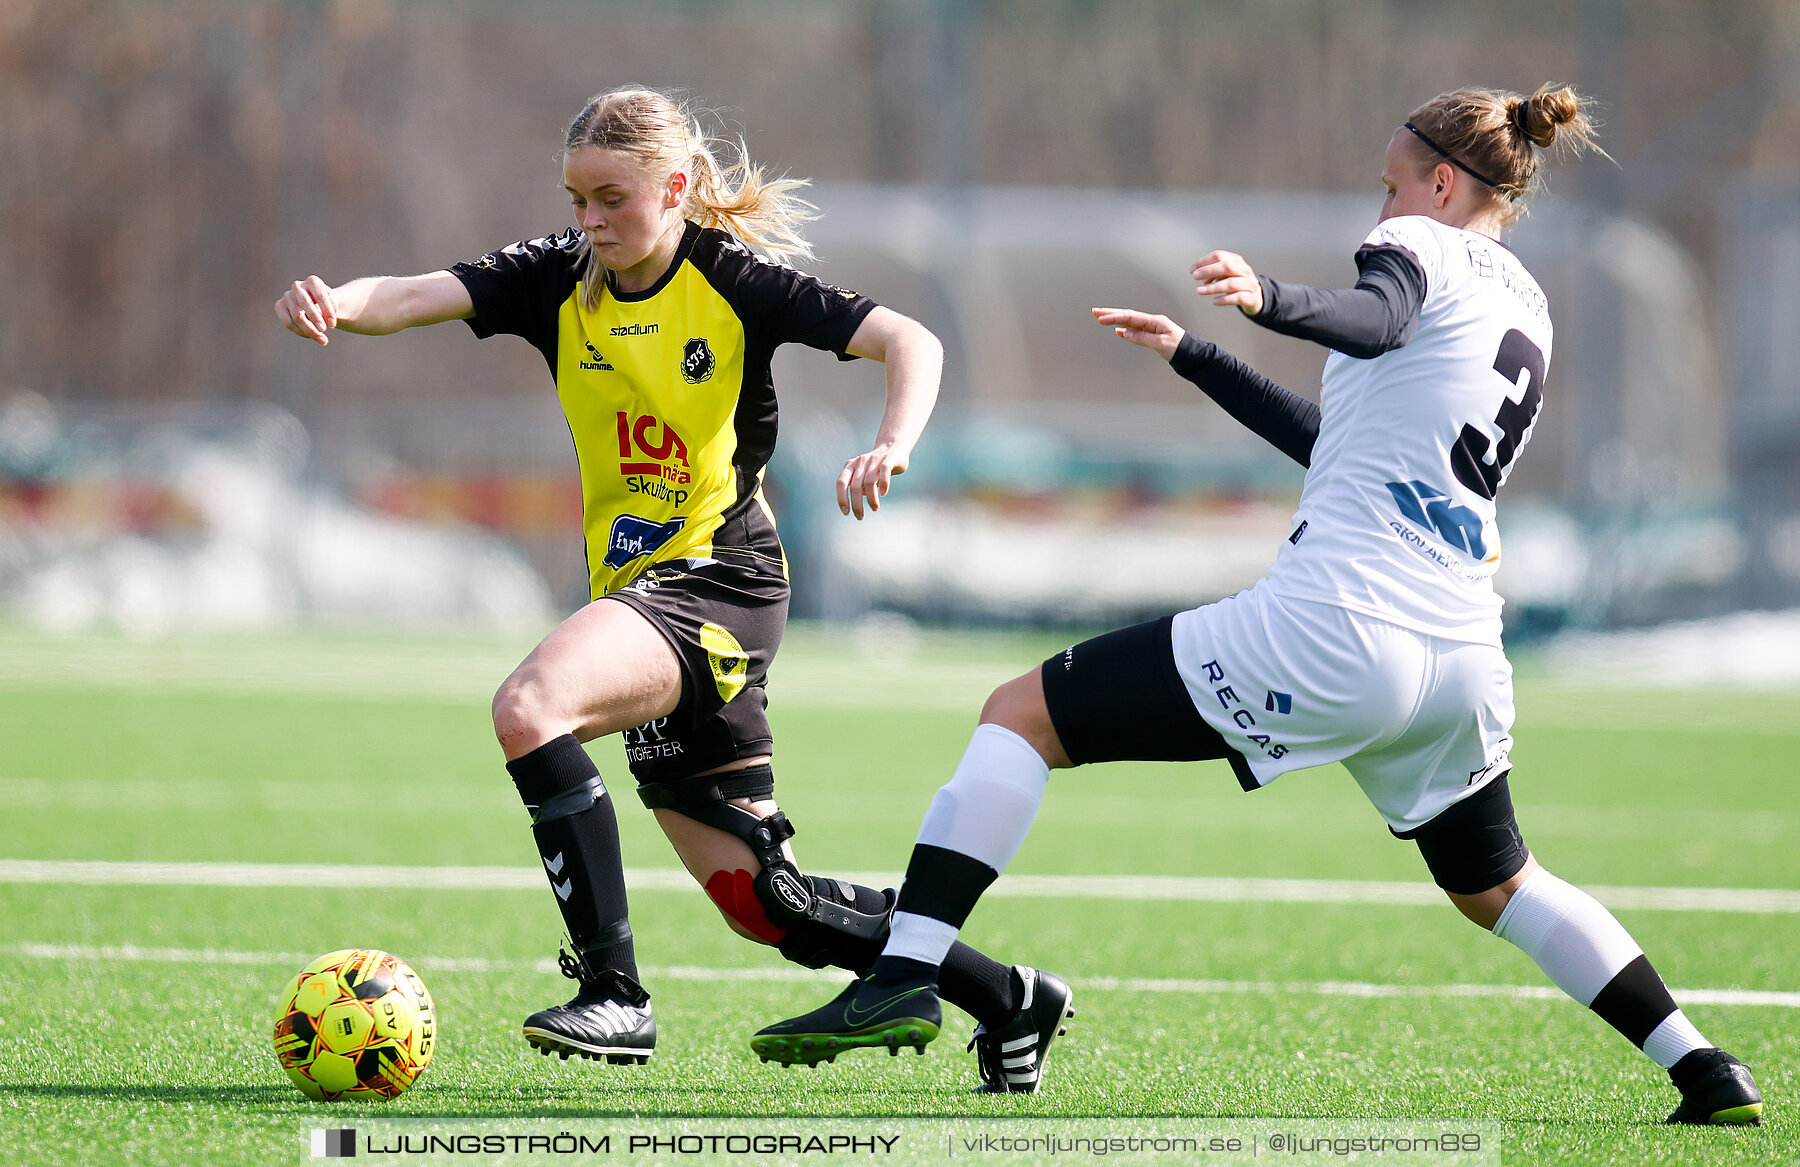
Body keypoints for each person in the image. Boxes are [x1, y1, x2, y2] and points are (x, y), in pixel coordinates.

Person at [752, 84, 1765, 1125]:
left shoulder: (1419, 252)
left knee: (1020, 714)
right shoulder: (1526, 303)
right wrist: (1197, 357)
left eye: (1393, 185)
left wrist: (1269, 296)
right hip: (1456, 655)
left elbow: (1378, 318)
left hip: (1338, 627)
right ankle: (1704, 1065)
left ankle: (906, 968)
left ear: (1445, 182)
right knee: (1498, 885)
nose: (1384, 211)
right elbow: (1342, 444)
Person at [275, 86, 1070, 1091]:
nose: (590, 221)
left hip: (720, 582)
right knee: (762, 903)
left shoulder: (734, 281)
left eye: (611, 198)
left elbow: (912, 339)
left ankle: (616, 996)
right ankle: (1008, 1000)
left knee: (531, 706)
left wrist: (892, 445)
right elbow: (404, 297)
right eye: (575, 199)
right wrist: (332, 303)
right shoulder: (558, 277)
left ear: (676, 188)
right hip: (644, 594)